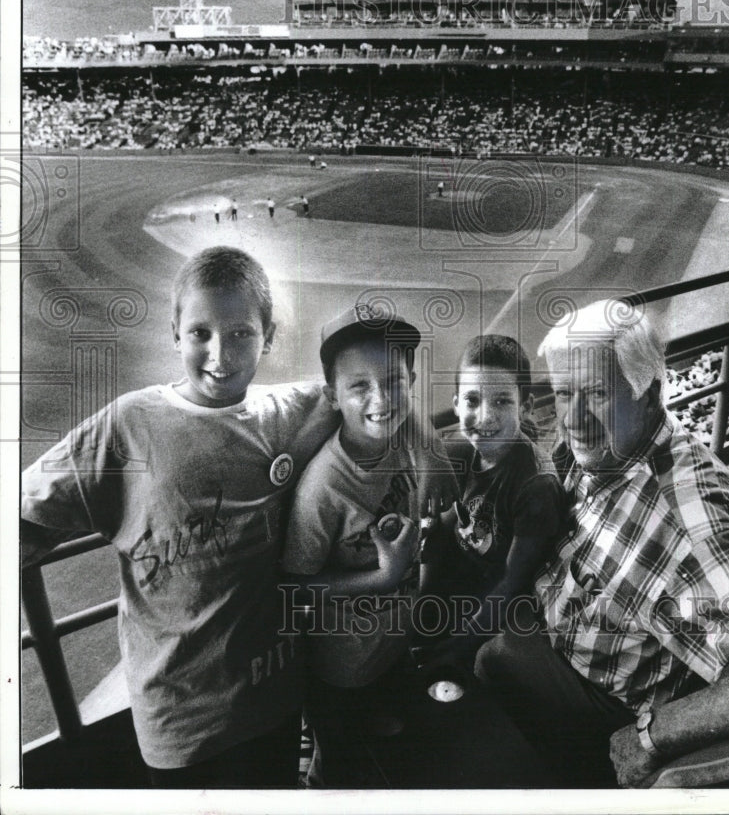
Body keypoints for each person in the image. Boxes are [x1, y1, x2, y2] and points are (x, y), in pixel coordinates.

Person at [21, 246, 338, 788]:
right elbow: (25, 520)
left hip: (277, 701)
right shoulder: (129, 425)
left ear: (270, 335)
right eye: (200, 334)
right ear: (175, 333)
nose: (220, 354)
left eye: (241, 334)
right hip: (180, 725)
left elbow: (360, 393)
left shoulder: (290, 412)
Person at [474, 299, 729, 788]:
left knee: (488, 662)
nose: (574, 420)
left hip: (595, 705)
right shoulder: (604, 445)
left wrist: (654, 734)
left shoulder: (690, 518)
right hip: (550, 626)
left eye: (596, 394)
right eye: (564, 394)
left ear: (649, 392)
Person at [281, 304, 458, 787]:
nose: (381, 397)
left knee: (390, 733)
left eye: (394, 381)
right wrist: (380, 576)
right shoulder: (323, 490)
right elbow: (292, 592)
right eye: (359, 385)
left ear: (411, 379)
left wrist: (435, 451)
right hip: (342, 670)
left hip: (393, 645)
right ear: (332, 397)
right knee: (338, 764)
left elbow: (401, 411)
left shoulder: (406, 438)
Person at [423, 335, 565, 666]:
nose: (485, 418)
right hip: (460, 587)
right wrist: (422, 603)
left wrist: (455, 647)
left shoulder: (536, 486)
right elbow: (442, 533)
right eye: (473, 401)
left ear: (526, 406)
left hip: (502, 611)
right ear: (456, 403)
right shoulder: (456, 454)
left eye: (501, 402)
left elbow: (512, 584)